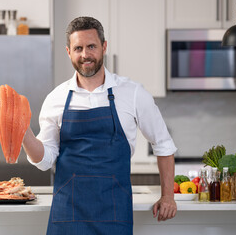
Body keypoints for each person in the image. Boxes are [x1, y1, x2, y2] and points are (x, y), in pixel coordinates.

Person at [22, 16, 177, 235]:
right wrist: (23, 132)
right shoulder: (56, 98)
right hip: (68, 214)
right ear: (68, 52)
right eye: (78, 48)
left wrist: (168, 196)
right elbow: (45, 160)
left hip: (114, 212)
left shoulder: (132, 93)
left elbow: (163, 144)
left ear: (104, 47)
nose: (85, 55)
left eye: (91, 46)